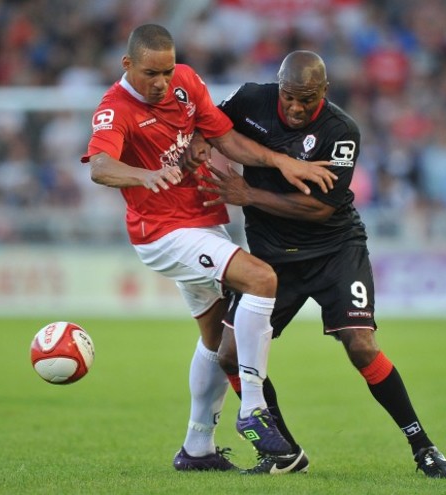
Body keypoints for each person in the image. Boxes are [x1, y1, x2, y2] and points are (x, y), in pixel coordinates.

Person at [81, 25, 338, 471]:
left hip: (202, 222)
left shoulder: (185, 81)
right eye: (150, 73)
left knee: (218, 340)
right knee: (261, 278)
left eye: (166, 70)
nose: (161, 82)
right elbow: (100, 167)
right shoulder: (113, 109)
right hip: (162, 232)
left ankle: (196, 448)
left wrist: (281, 160)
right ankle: (253, 409)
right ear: (127, 66)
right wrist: (143, 176)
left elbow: (226, 138)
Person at [192, 50, 446, 478]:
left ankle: (423, 447)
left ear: (325, 92)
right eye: (290, 97)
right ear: (278, 87)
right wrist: (202, 144)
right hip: (271, 261)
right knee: (229, 355)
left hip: (334, 250)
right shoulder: (248, 100)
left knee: (361, 344)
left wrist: (250, 195)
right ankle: (283, 452)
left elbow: (319, 209)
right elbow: (208, 126)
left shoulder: (341, 130)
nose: (297, 108)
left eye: (308, 99)